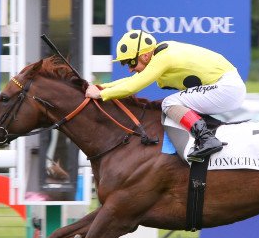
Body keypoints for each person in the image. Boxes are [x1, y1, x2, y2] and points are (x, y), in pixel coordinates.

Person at [85, 29, 246, 161]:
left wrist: (101, 94)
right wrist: (101, 87)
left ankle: (207, 139)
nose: (130, 68)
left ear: (145, 55)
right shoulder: (159, 55)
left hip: (226, 87)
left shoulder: (163, 58)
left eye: (131, 62)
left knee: (169, 103)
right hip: (226, 86)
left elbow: (132, 88)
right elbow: (132, 80)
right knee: (174, 103)